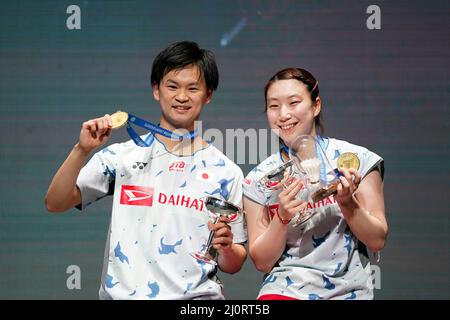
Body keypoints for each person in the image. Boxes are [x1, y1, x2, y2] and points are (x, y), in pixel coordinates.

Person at [45, 41, 247, 300]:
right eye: (172, 86)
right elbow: (56, 202)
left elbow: (234, 263)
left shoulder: (227, 172)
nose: (181, 96)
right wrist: (81, 150)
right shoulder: (122, 156)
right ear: (156, 90)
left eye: (192, 88)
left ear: (208, 94)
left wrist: (227, 248)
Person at [243, 67, 387, 300]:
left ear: (316, 105)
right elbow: (262, 261)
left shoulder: (357, 160)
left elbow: (377, 239)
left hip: (348, 290)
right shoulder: (258, 179)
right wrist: (281, 217)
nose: (283, 114)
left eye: (293, 102)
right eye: (273, 106)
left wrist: (347, 203)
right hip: (285, 289)